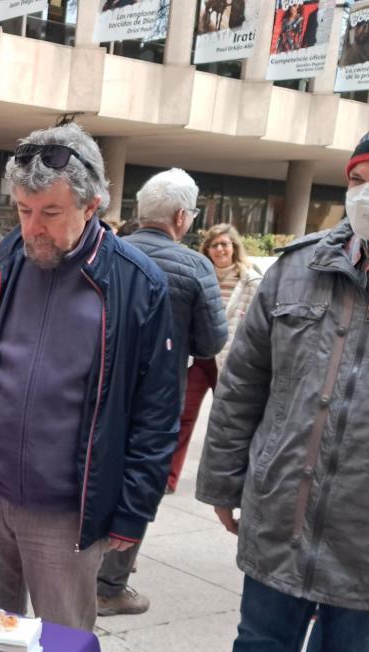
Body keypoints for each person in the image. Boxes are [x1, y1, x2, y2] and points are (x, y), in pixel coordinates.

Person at [152, 113, 369, 652]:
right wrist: (223, 479)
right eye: (358, 179)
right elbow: (243, 384)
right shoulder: (299, 267)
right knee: (261, 645)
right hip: (283, 503)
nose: (368, 194)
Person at [0, 122, 178, 632]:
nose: (32, 229)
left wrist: (133, 511)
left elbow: (156, 412)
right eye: (23, 210)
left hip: (68, 513)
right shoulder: (4, 259)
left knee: (64, 650)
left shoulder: (138, 284)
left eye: (49, 213)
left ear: (92, 207)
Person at [96, 168, 227, 617]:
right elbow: (211, 342)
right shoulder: (194, 267)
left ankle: (84, 567)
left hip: (96, 387)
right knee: (141, 478)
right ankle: (109, 586)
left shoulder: (104, 253)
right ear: (181, 217)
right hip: (158, 395)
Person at [154, 224, 260, 495]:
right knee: (183, 416)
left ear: (234, 247)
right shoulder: (200, 275)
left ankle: (230, 480)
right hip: (200, 357)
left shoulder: (251, 281)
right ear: (207, 250)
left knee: (231, 421)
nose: (220, 249)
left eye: (225, 244)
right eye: (215, 245)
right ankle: (168, 477)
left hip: (233, 361)